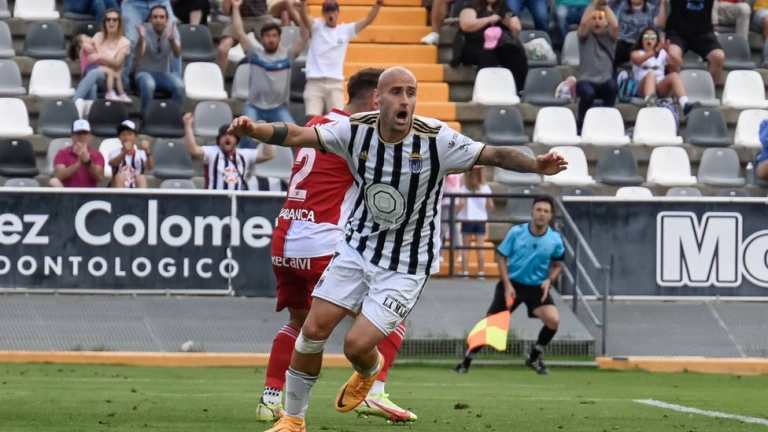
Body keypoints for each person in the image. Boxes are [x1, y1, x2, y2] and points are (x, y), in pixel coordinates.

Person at [228, 66, 568, 432]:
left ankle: (369, 371)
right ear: (378, 98)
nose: (405, 100)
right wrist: (255, 130)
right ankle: (294, 420)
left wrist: (536, 164)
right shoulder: (355, 130)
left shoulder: (436, 139)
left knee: (356, 346)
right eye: (396, 92)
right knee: (312, 331)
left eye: (411, 92)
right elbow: (297, 134)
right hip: (357, 250)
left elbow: (496, 155)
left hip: (406, 265)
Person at [258, 68, 417, 424]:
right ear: (375, 99)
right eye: (389, 97)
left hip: (285, 240)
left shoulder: (317, 123)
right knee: (391, 311)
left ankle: (269, 399)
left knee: (300, 322)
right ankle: (373, 393)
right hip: (323, 242)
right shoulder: (360, 134)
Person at [453, 195, 564, 375]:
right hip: (512, 284)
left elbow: (558, 265)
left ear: (550, 216)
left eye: (546, 211)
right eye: (538, 210)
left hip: (536, 288)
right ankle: (465, 362)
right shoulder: (516, 233)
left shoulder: (555, 239)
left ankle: (533, 357)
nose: (542, 214)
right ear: (532, 212)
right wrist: (507, 285)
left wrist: (549, 280)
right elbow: (501, 258)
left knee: (553, 320)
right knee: (491, 323)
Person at [299, 0, 383, 122]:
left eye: (333, 11)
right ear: (323, 13)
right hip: (314, 81)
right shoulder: (317, 27)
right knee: (312, 118)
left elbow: (367, 20)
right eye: (327, 11)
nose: (330, 14)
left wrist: (378, 5)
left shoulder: (344, 31)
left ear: (338, 12)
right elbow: (304, 17)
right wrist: (303, 2)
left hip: (335, 82)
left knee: (338, 119)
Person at [232, 0, 308, 125]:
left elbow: (304, 36)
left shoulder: (287, 55)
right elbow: (239, 32)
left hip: (278, 109)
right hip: (254, 107)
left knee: (293, 133)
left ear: (279, 38)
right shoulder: (254, 54)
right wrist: (235, 8)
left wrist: (303, 9)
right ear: (262, 39)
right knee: (245, 132)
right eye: (267, 36)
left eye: (274, 36)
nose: (271, 39)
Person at [183, 113, 274, 190]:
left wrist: (264, 133)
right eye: (224, 135)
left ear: (236, 140)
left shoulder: (244, 155)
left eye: (231, 135)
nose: (227, 137)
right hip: (213, 200)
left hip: (235, 201)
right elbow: (193, 150)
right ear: (218, 140)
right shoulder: (212, 152)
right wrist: (187, 126)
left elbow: (268, 155)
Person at [458, 0, 529, 91]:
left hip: (499, 44)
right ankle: (484, 90)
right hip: (474, 45)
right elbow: (466, 25)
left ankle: (519, 89)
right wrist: (489, 20)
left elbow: (517, 27)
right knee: (488, 55)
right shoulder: (471, 5)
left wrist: (509, 24)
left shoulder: (503, 7)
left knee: (515, 51)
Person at [631, 27, 699, 114]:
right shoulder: (637, 52)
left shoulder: (662, 53)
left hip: (660, 86)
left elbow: (679, 62)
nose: (649, 40)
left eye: (653, 38)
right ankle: (650, 103)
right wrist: (655, 50)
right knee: (651, 74)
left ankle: (684, 104)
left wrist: (668, 51)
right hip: (642, 86)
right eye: (646, 37)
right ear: (642, 40)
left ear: (657, 41)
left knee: (674, 75)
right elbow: (637, 60)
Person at [575, 0, 619, 132]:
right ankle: (581, 125)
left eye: (600, 18)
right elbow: (583, 23)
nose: (597, 22)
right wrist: (594, 3)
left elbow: (615, 25)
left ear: (606, 22)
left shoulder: (610, 38)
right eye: (594, 18)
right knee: (588, 93)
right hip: (586, 81)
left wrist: (604, 4)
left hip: (604, 81)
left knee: (612, 87)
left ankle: (605, 123)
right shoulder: (584, 37)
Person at [134, 5, 185, 115]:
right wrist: (141, 39)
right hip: (144, 72)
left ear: (166, 19)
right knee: (149, 85)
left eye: (162, 17)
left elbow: (177, 54)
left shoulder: (172, 32)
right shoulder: (144, 32)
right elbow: (139, 55)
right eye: (155, 17)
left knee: (180, 86)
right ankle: (146, 117)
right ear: (150, 19)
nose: (158, 20)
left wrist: (171, 39)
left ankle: (172, 116)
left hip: (163, 73)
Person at [73, 9, 131, 103]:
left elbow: (117, 63)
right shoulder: (98, 36)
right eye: (108, 20)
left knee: (93, 74)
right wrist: (83, 47)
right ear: (104, 22)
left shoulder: (124, 42)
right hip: (98, 74)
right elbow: (86, 50)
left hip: (113, 78)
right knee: (92, 84)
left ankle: (74, 104)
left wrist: (100, 56)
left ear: (119, 23)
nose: (111, 22)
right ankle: (90, 109)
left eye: (114, 20)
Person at [120, 0, 179, 88]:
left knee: (173, 35)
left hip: (160, 1)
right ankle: (124, 82)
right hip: (133, 3)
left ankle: (177, 80)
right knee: (131, 40)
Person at [665, 0, 724, 83]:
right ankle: (677, 89)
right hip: (677, 32)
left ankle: (708, 88)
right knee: (672, 56)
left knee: (718, 56)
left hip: (703, 33)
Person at [216, 0, 274, 74]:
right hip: (238, 16)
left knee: (274, 46)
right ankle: (219, 79)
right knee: (223, 49)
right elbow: (226, 11)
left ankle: (275, 75)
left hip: (262, 17)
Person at [68, 34, 129, 104]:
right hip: (93, 70)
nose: (89, 37)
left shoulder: (122, 42)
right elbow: (88, 48)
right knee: (93, 86)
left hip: (104, 77)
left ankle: (74, 103)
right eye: (86, 37)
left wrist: (99, 54)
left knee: (96, 73)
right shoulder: (88, 45)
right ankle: (91, 107)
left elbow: (115, 62)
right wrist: (89, 44)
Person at [456, 169, 493, 279]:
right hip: (481, 219)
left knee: (466, 247)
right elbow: (490, 204)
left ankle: (465, 271)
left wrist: (456, 212)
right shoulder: (485, 187)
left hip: (468, 219)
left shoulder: (465, 188)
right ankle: (481, 272)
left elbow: (461, 202)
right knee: (480, 247)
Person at [49, 120, 105, 188]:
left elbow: (100, 177)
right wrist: (78, 164)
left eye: (85, 133)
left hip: (89, 192)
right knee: (53, 181)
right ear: (72, 136)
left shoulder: (97, 155)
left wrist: (88, 162)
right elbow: (58, 175)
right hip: (68, 192)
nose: (81, 137)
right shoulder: (63, 153)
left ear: (90, 136)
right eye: (78, 133)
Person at [611, 0, 665, 65]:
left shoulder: (650, 9)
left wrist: (662, 3)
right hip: (622, 43)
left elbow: (660, 24)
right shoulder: (622, 5)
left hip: (640, 46)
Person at [108, 120, 153, 188]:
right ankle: (119, 195)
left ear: (136, 136)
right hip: (118, 185)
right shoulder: (114, 153)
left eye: (129, 134)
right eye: (123, 134)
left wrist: (147, 151)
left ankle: (141, 195)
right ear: (119, 137)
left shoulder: (141, 153)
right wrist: (124, 152)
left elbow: (149, 167)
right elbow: (113, 164)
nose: (126, 137)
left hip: (136, 184)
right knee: (119, 177)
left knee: (141, 178)